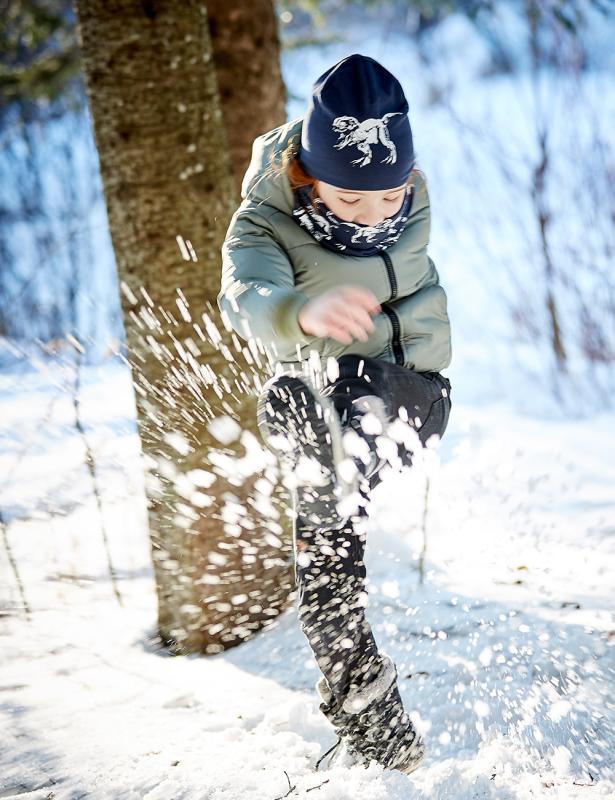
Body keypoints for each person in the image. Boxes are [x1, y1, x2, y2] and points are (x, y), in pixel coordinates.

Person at [217, 53, 452, 774]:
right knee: (326, 563)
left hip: (415, 395)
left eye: (388, 198)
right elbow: (244, 295)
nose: (373, 217)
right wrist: (299, 310)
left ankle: (323, 451)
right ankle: (372, 716)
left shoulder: (406, 197)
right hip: (331, 401)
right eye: (349, 200)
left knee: (347, 393)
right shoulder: (263, 223)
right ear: (306, 176)